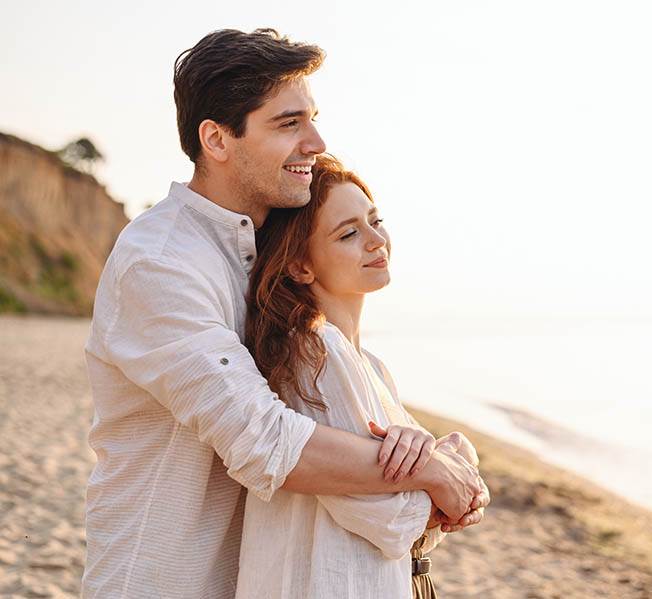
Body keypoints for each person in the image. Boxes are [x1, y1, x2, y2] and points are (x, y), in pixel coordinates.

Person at [82, 28, 488, 598]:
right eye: (288, 123)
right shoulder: (162, 261)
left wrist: (430, 452)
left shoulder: (273, 250)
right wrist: (426, 469)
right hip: (167, 580)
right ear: (217, 140)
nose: (317, 141)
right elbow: (264, 439)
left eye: (313, 118)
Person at [236, 154, 479, 599]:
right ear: (300, 266)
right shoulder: (314, 351)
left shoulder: (370, 365)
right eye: (349, 233)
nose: (375, 240)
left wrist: (446, 461)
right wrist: (446, 475)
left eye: (374, 220)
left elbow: (411, 513)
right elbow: (388, 520)